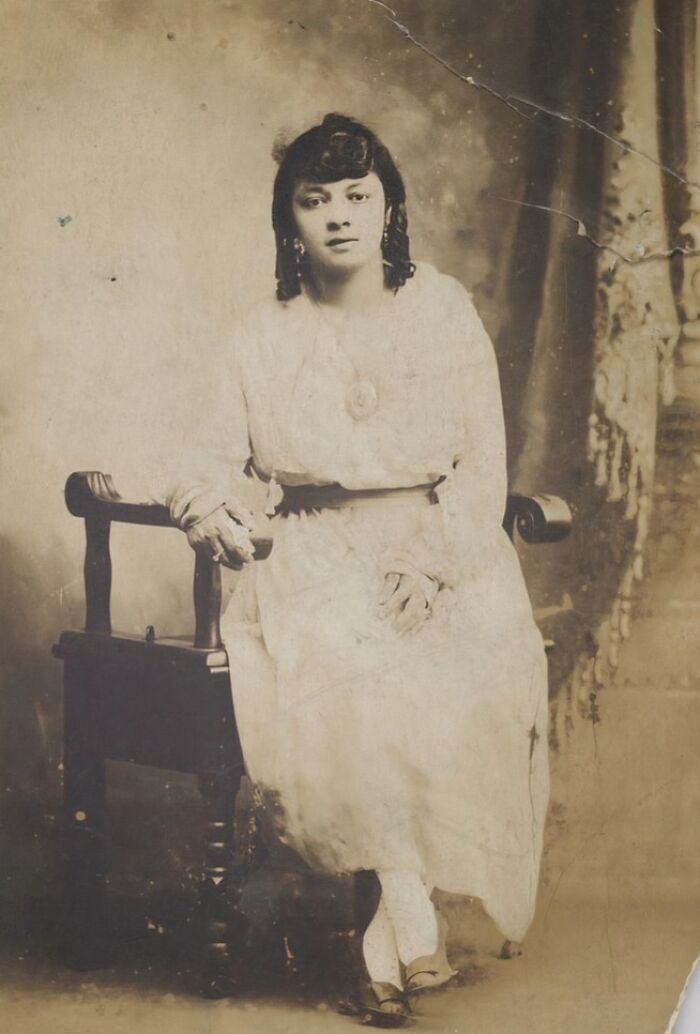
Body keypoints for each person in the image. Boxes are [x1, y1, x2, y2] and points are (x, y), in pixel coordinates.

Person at [161, 113, 549, 1027]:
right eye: (314, 200)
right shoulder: (260, 335)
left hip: (435, 545)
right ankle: (407, 918)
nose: (338, 217)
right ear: (288, 221)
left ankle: (388, 930)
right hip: (310, 555)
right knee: (354, 665)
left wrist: (436, 562)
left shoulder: (442, 310)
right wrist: (210, 510)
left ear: (389, 208)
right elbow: (205, 461)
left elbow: (482, 464)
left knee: (467, 656)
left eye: (357, 196)